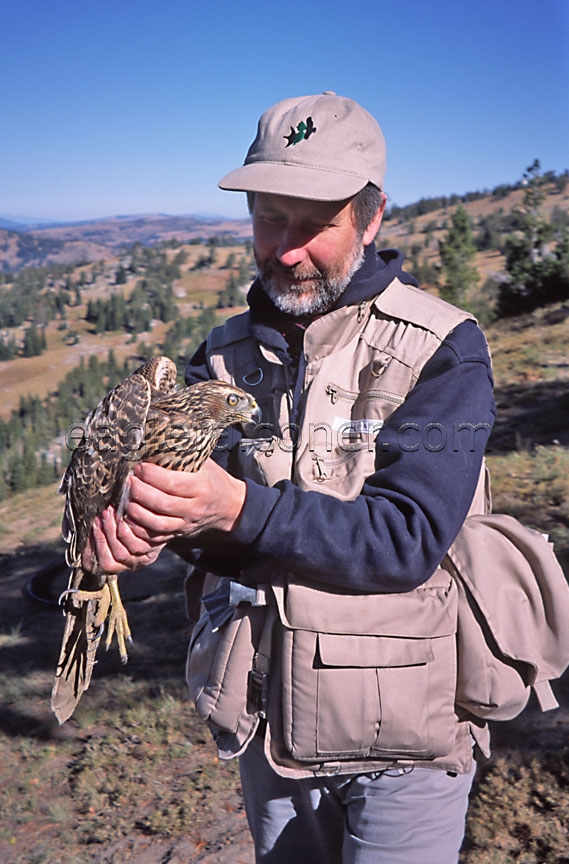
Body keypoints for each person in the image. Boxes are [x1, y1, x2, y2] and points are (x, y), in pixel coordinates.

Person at [87, 92, 496, 863]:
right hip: (262, 725)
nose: (285, 250)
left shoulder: (441, 349)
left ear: (371, 219)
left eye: (314, 225)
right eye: (269, 218)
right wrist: (153, 528)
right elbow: (219, 537)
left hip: (404, 740)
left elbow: (403, 540)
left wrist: (233, 505)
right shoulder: (224, 353)